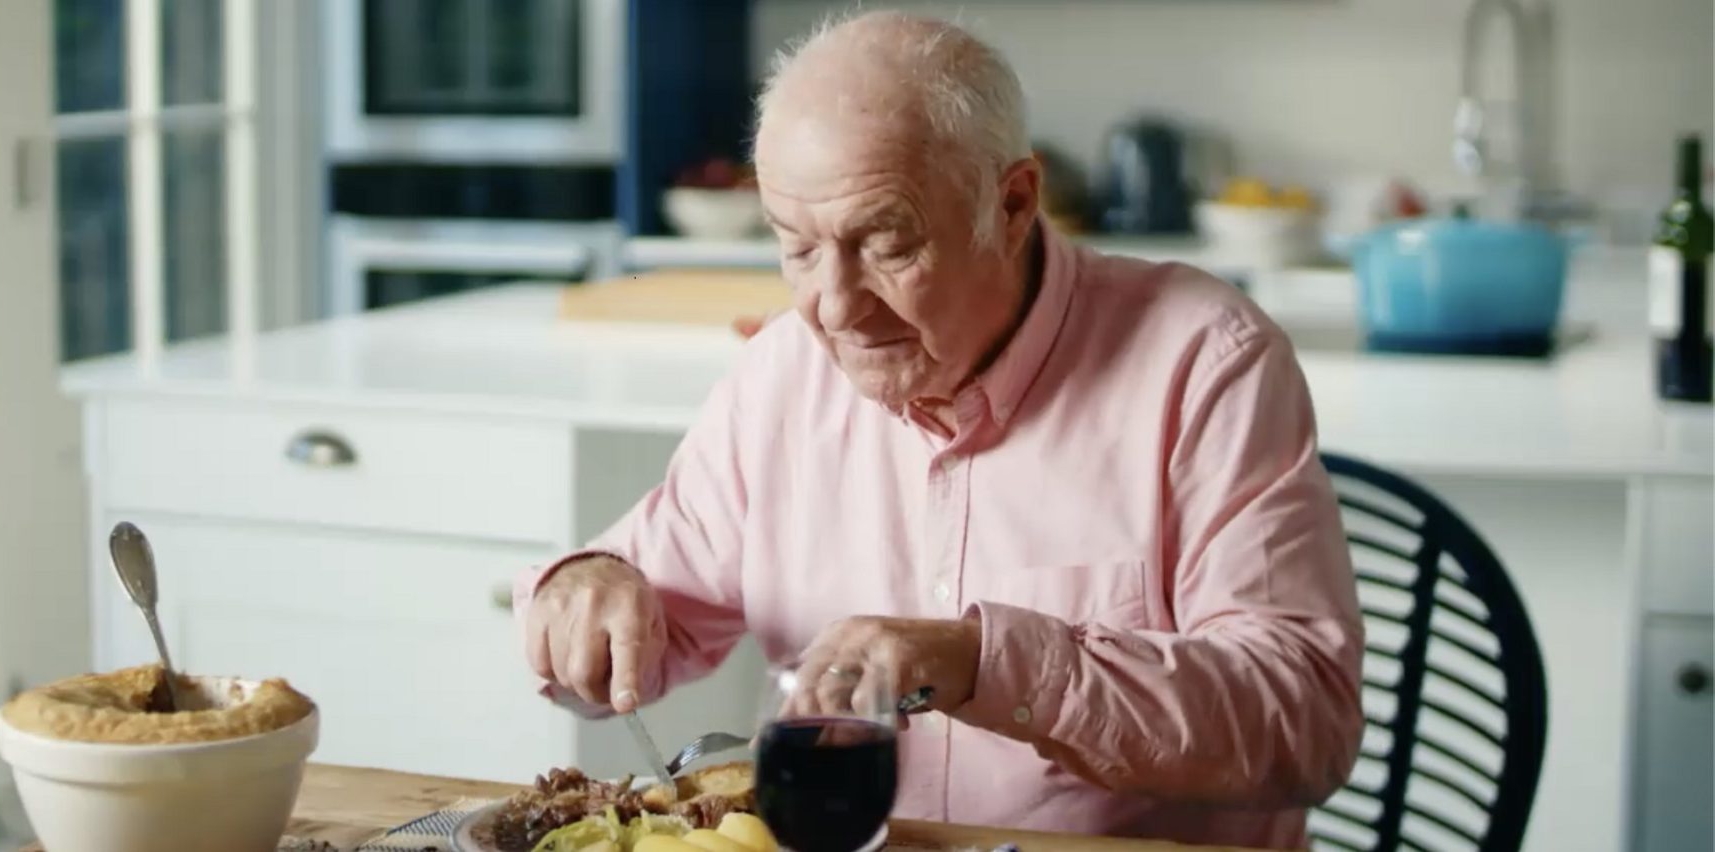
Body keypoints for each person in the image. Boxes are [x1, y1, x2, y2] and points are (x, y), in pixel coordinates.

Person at [514, 10, 1364, 848]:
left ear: (1015, 203)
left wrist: (986, 663)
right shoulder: (782, 374)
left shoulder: (1202, 361)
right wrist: (585, 588)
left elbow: (1303, 723)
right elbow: (630, 627)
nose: (834, 310)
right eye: (798, 249)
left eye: (886, 241)